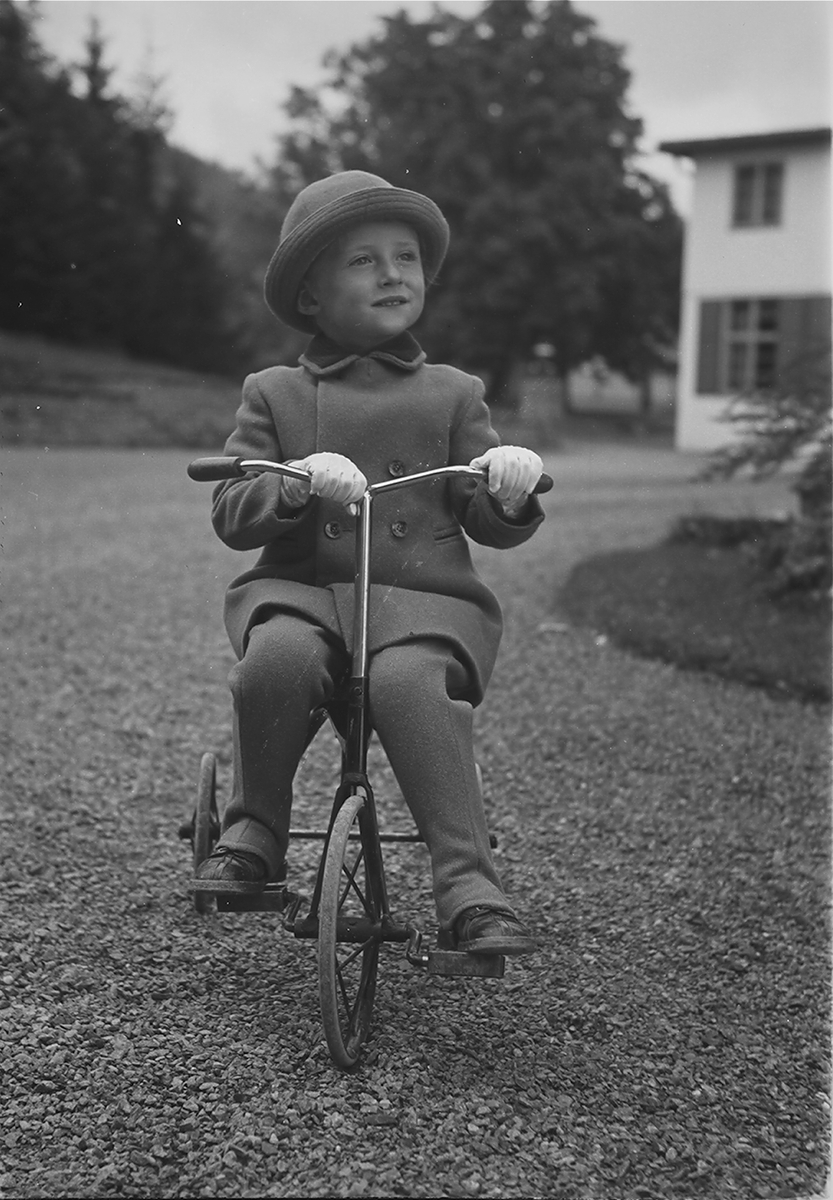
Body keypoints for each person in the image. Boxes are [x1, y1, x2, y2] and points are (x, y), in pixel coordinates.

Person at [195, 170, 545, 956]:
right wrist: (292, 485)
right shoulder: (275, 393)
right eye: (364, 261)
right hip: (303, 589)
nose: (393, 274)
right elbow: (230, 511)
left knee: (407, 683)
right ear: (311, 295)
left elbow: (485, 513)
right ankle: (255, 831)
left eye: (407, 258)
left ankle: (468, 885)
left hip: (420, 598)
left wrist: (510, 485)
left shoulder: (453, 394)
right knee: (275, 662)